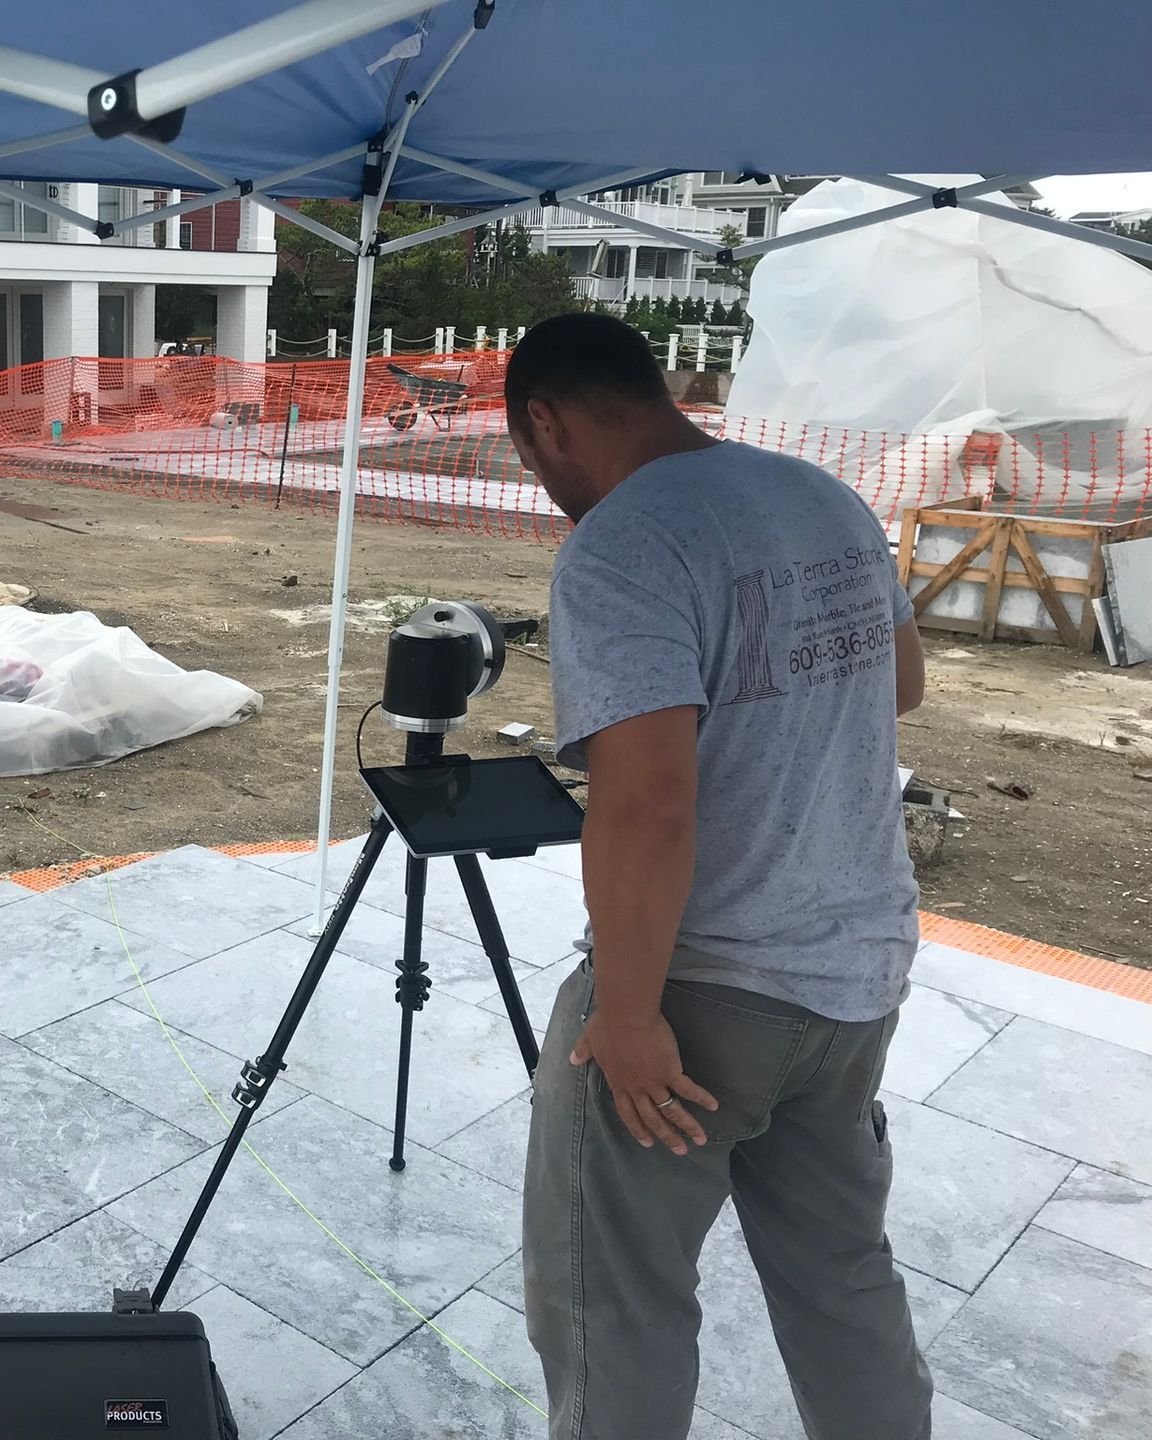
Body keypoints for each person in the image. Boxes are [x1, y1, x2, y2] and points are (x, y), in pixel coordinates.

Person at [503, 313, 931, 1440]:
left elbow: (647, 804)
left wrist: (631, 1012)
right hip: (854, 977)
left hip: (706, 996)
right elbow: (901, 686)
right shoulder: (818, 495)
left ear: (545, 421)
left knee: (615, 1311)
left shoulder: (622, 544)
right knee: (843, 1280)